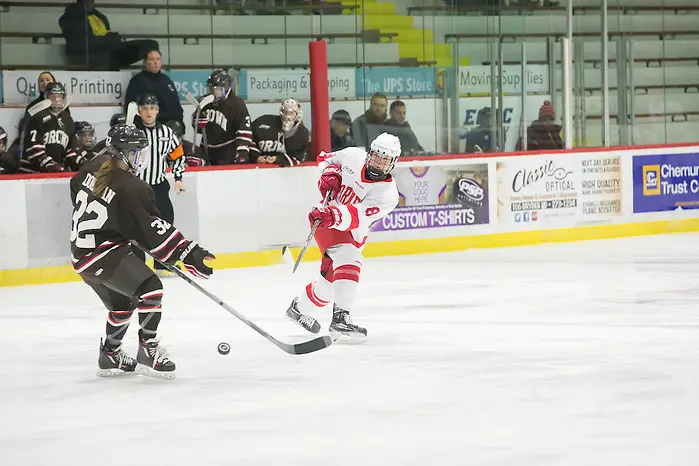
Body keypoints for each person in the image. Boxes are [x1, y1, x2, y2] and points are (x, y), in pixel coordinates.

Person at [70, 124, 214, 378]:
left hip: (81, 255)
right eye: (138, 152)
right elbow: (153, 230)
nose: (142, 159)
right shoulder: (131, 186)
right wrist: (190, 253)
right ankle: (148, 349)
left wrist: (113, 224)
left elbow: (75, 187)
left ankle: (110, 354)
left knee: (122, 304)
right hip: (102, 254)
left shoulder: (93, 166)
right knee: (152, 289)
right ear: (124, 153)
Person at [285, 133, 401, 341]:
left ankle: (298, 309)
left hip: (349, 229)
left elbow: (357, 215)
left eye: (385, 160)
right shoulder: (352, 155)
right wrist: (329, 173)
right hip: (323, 220)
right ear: (369, 153)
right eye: (376, 156)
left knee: (330, 287)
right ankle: (341, 319)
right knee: (351, 258)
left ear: (393, 162)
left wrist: (334, 214)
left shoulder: (387, 195)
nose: (379, 163)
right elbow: (324, 158)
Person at [130, 93, 186, 277]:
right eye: (145, 108)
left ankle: (162, 264)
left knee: (165, 223)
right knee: (137, 227)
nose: (149, 112)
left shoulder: (166, 133)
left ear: (157, 111)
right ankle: (139, 266)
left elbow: (177, 155)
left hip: (159, 186)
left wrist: (178, 177)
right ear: (139, 111)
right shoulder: (132, 133)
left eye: (152, 108)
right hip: (137, 188)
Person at [59, 0, 159, 70]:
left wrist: (112, 40)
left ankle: (149, 71)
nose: (91, 3)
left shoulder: (100, 16)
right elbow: (80, 44)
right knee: (112, 48)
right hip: (94, 57)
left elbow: (107, 37)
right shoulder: (71, 17)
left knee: (151, 45)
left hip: (111, 51)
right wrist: (110, 40)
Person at [192, 70, 253, 165]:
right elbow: (197, 128)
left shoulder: (237, 104)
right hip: (206, 148)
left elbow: (244, 128)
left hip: (227, 150)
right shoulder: (204, 101)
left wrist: (242, 150)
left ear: (226, 88)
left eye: (216, 89)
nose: (212, 92)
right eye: (210, 89)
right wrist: (198, 120)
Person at [20, 82, 77, 173]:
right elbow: (34, 149)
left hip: (54, 173)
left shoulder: (68, 119)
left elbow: (71, 150)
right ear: (46, 98)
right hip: (31, 172)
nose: (57, 99)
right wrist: (50, 164)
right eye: (53, 96)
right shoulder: (37, 117)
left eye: (60, 96)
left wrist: (80, 163)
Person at [124, 50, 183, 127]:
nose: (156, 62)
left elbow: (176, 107)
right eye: (151, 59)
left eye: (158, 59)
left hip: (172, 126)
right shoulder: (137, 81)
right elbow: (131, 108)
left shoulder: (167, 80)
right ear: (145, 62)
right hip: (150, 127)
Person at [249, 98, 309, 166]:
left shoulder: (302, 133)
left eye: (291, 113)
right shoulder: (262, 122)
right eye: (285, 112)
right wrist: (255, 156)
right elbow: (249, 140)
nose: (287, 116)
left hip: (285, 174)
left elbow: (297, 157)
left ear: (297, 114)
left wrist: (278, 159)